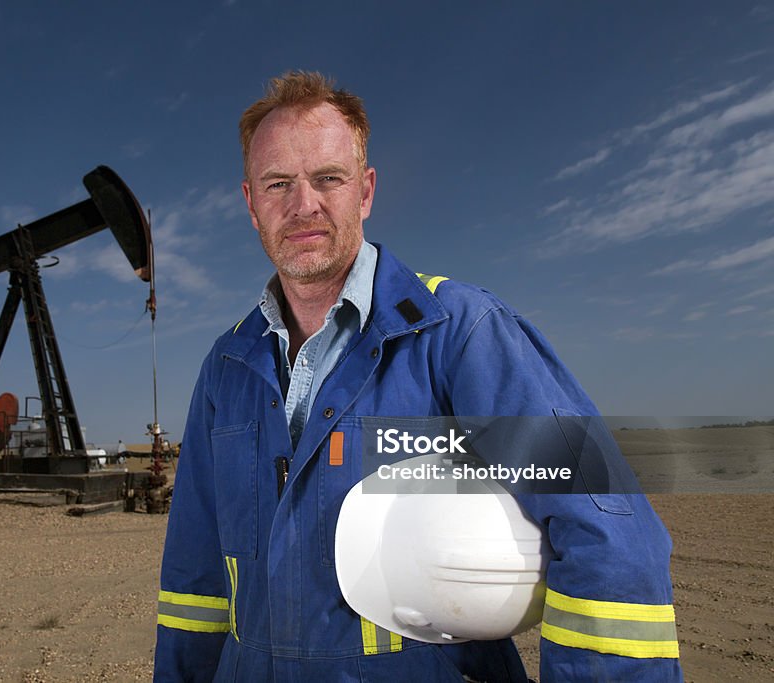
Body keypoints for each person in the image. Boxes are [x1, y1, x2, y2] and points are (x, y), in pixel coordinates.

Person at [155, 71, 682, 682]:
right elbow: (194, 588)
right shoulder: (227, 369)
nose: (304, 205)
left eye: (329, 178)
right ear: (251, 203)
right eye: (278, 184)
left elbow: (608, 533)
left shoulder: (459, 334)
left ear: (366, 191)